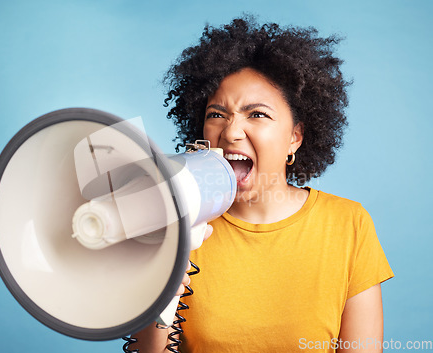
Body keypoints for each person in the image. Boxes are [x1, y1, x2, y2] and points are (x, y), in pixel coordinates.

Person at [130, 16, 394, 353]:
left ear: (294, 138)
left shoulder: (348, 225)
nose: (230, 132)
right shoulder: (171, 224)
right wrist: (161, 294)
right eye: (216, 114)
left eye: (257, 114)